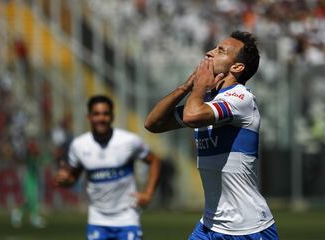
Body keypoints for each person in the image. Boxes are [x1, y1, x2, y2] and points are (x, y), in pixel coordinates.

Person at [145, 31, 279, 239]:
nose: (209, 53)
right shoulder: (206, 100)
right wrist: (186, 86)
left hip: (248, 228)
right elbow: (153, 123)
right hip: (209, 225)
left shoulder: (240, 98)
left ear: (237, 67)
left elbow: (191, 116)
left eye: (220, 51)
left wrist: (198, 87)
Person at [54, 95, 161, 240]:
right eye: (96, 114)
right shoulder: (79, 145)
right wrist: (65, 180)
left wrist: (148, 193)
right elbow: (73, 177)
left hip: (127, 217)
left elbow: (154, 160)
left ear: (112, 116)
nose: (101, 118)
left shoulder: (129, 141)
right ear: (89, 117)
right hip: (97, 219)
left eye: (105, 114)